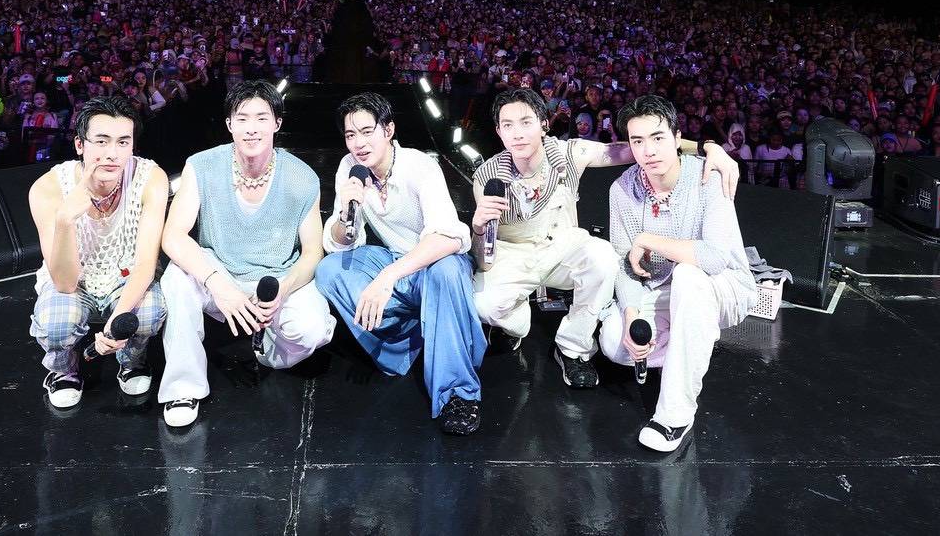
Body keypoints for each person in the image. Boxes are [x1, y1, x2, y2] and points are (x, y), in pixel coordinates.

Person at [469, 87, 739, 390]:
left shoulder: (569, 153)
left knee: (604, 257)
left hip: (561, 249)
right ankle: (515, 324)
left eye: (526, 122)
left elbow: (635, 147)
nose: (517, 133)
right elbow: (484, 259)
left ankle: (573, 349)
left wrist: (707, 147)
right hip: (514, 255)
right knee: (484, 305)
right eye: (508, 125)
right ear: (498, 132)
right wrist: (478, 228)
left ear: (544, 124)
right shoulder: (487, 177)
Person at [157, 80, 335, 428]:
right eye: (242, 118)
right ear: (229, 125)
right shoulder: (202, 166)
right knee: (177, 279)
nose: (251, 128)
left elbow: (313, 251)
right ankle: (183, 388)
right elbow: (173, 235)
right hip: (218, 273)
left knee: (312, 330)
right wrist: (218, 285)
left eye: (261, 118)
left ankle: (266, 348)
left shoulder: (302, 177)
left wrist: (284, 289)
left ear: (277, 123)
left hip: (274, 278)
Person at [314, 92, 486, 435]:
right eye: (351, 135)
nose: (359, 143)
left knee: (447, 271)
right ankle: (411, 342)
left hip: (434, 262)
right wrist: (345, 212)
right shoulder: (350, 168)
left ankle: (458, 393)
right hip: (396, 260)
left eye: (367, 132)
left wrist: (387, 277)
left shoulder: (420, 167)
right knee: (329, 270)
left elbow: (451, 238)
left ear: (389, 130)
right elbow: (338, 242)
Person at [595, 95, 757, 452]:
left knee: (688, 276)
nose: (649, 150)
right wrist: (631, 314)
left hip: (723, 285)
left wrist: (647, 239)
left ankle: (674, 415)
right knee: (615, 344)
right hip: (660, 290)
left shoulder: (708, 177)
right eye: (638, 141)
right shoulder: (621, 189)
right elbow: (625, 264)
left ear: (677, 138)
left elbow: (714, 258)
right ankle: (692, 341)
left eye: (658, 138)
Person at [27, 97, 171, 409]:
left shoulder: (150, 178)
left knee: (147, 313)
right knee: (56, 322)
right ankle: (63, 369)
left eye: (123, 142)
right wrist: (65, 220)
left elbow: (146, 264)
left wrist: (118, 320)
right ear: (80, 145)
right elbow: (64, 282)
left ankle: (131, 360)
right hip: (74, 282)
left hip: (125, 275)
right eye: (102, 141)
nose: (112, 154)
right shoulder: (47, 188)